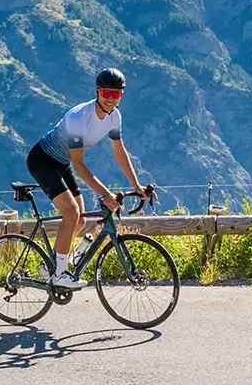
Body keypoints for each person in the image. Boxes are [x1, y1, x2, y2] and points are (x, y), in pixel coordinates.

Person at [23, 68, 154, 289]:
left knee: (80, 219)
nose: (111, 100)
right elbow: (79, 165)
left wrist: (136, 185)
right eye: (107, 94)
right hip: (42, 160)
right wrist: (105, 194)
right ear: (97, 92)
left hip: (61, 162)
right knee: (71, 212)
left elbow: (120, 152)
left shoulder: (114, 117)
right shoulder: (78, 118)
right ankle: (60, 273)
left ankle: (53, 265)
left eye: (117, 95)